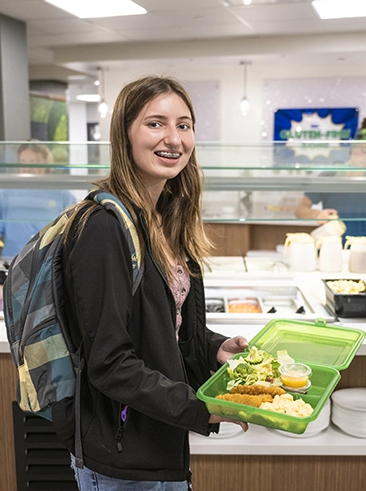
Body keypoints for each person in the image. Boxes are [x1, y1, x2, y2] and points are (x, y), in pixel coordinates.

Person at [51, 76, 250, 489]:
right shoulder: (104, 228)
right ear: (124, 133)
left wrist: (214, 348)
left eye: (184, 124)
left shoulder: (166, 219)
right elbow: (110, 363)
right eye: (155, 123)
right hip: (122, 457)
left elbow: (165, 329)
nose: (174, 139)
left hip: (159, 442)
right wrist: (203, 408)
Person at [295, 115, 366, 251]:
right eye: (363, 151)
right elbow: (300, 210)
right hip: (329, 252)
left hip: (360, 252)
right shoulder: (330, 175)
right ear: (353, 146)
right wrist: (317, 214)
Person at [0, 142, 76, 258]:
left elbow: (73, 223)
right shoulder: (6, 192)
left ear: (45, 162)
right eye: (23, 162)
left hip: (49, 262)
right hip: (13, 261)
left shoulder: (61, 192)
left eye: (33, 163)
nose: (27, 168)